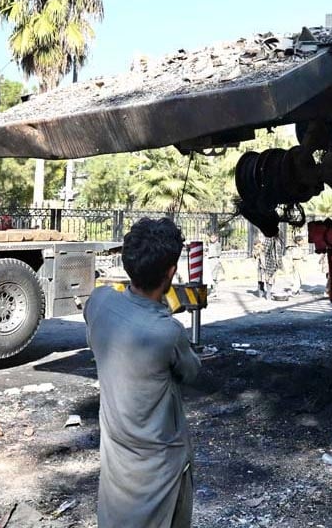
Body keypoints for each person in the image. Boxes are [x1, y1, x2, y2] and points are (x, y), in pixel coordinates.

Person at [84, 218, 202, 528]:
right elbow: (191, 371)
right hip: (162, 465)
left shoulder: (99, 303)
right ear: (171, 272)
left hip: (118, 459)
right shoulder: (167, 333)